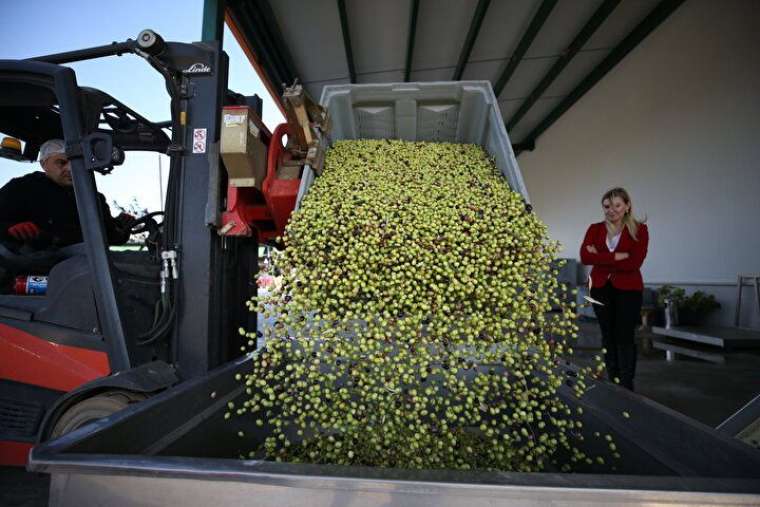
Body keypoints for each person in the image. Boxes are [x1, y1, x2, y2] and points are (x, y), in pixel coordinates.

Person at [0, 139, 133, 250]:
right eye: (62, 162)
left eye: (76, 163)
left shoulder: (93, 197)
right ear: (43, 164)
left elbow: (111, 238)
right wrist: (8, 229)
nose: (70, 168)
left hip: (84, 265)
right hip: (33, 266)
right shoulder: (22, 188)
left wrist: (123, 226)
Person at [580, 187, 648, 391]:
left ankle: (626, 383)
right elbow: (585, 257)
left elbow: (634, 262)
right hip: (600, 288)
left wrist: (600, 257)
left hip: (629, 289)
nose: (612, 210)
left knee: (625, 334)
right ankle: (614, 380)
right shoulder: (594, 229)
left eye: (617, 205)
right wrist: (617, 256)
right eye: (607, 206)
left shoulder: (639, 229)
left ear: (627, 206)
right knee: (607, 333)